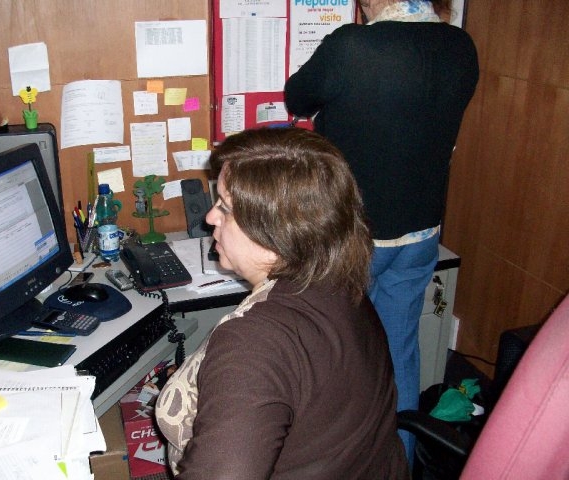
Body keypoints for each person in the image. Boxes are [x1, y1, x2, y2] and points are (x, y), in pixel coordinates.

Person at [283, 0, 479, 462]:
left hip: (353, 240)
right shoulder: (460, 46)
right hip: (421, 233)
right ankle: (399, 461)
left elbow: (297, 97)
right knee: (399, 352)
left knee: (334, 359)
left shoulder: (352, 46)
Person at [155, 127, 409, 479]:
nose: (210, 217)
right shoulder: (341, 282)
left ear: (275, 233)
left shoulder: (253, 343)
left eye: (225, 208)